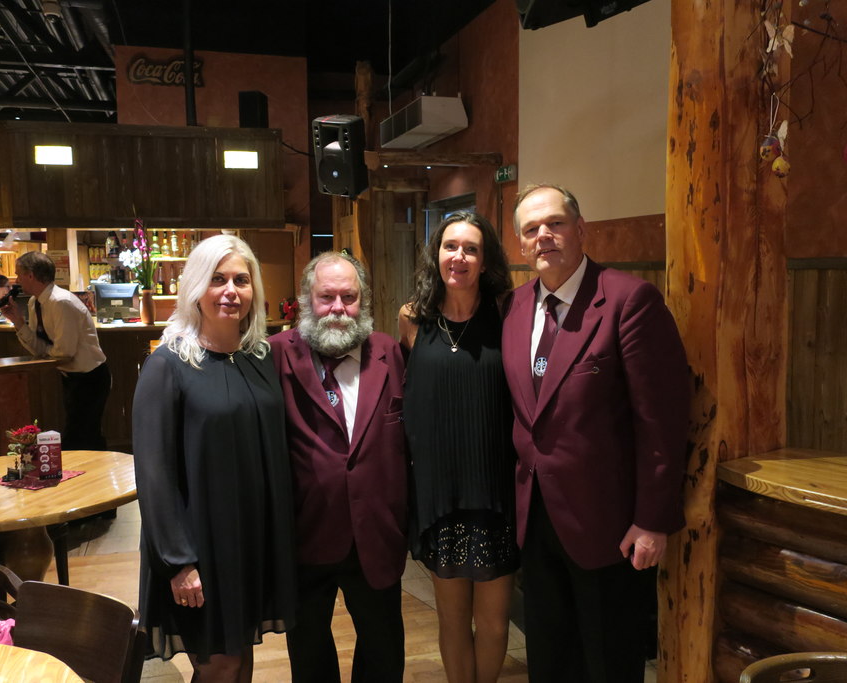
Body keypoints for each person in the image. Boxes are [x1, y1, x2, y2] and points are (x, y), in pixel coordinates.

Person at [502, 184, 690, 682]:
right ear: (521, 244)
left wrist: (652, 520)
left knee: (609, 664)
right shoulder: (514, 308)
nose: (544, 235)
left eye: (555, 223)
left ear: (581, 229)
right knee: (549, 659)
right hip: (536, 522)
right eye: (531, 229)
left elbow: (662, 421)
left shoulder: (629, 300)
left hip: (609, 526)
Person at [131, 235, 296, 682]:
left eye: (241, 280)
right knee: (219, 664)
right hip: (199, 544)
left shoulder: (259, 358)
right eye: (217, 279)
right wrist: (179, 562)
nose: (231, 291)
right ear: (195, 287)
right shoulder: (168, 364)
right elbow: (153, 473)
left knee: (241, 654)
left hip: (251, 538)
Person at [269, 252, 407, 683]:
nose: (338, 308)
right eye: (326, 297)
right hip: (305, 536)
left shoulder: (389, 352)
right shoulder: (274, 356)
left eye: (349, 297)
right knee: (309, 660)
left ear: (363, 301)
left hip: (376, 535)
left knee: (384, 656)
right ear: (306, 300)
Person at [397, 211, 518, 683]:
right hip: (438, 494)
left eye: (471, 248)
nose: (459, 257)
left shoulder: (507, 314)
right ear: (437, 254)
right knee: (450, 619)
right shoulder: (413, 318)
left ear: (485, 261)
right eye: (450, 246)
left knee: (493, 621)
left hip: (494, 491)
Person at [0, 251, 110, 450]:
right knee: (82, 435)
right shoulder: (35, 303)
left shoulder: (61, 302)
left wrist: (45, 353)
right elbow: (39, 348)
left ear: (30, 275)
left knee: (82, 436)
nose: (16, 280)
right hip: (70, 376)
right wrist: (17, 321)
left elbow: (64, 352)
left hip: (90, 376)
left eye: (18, 274)